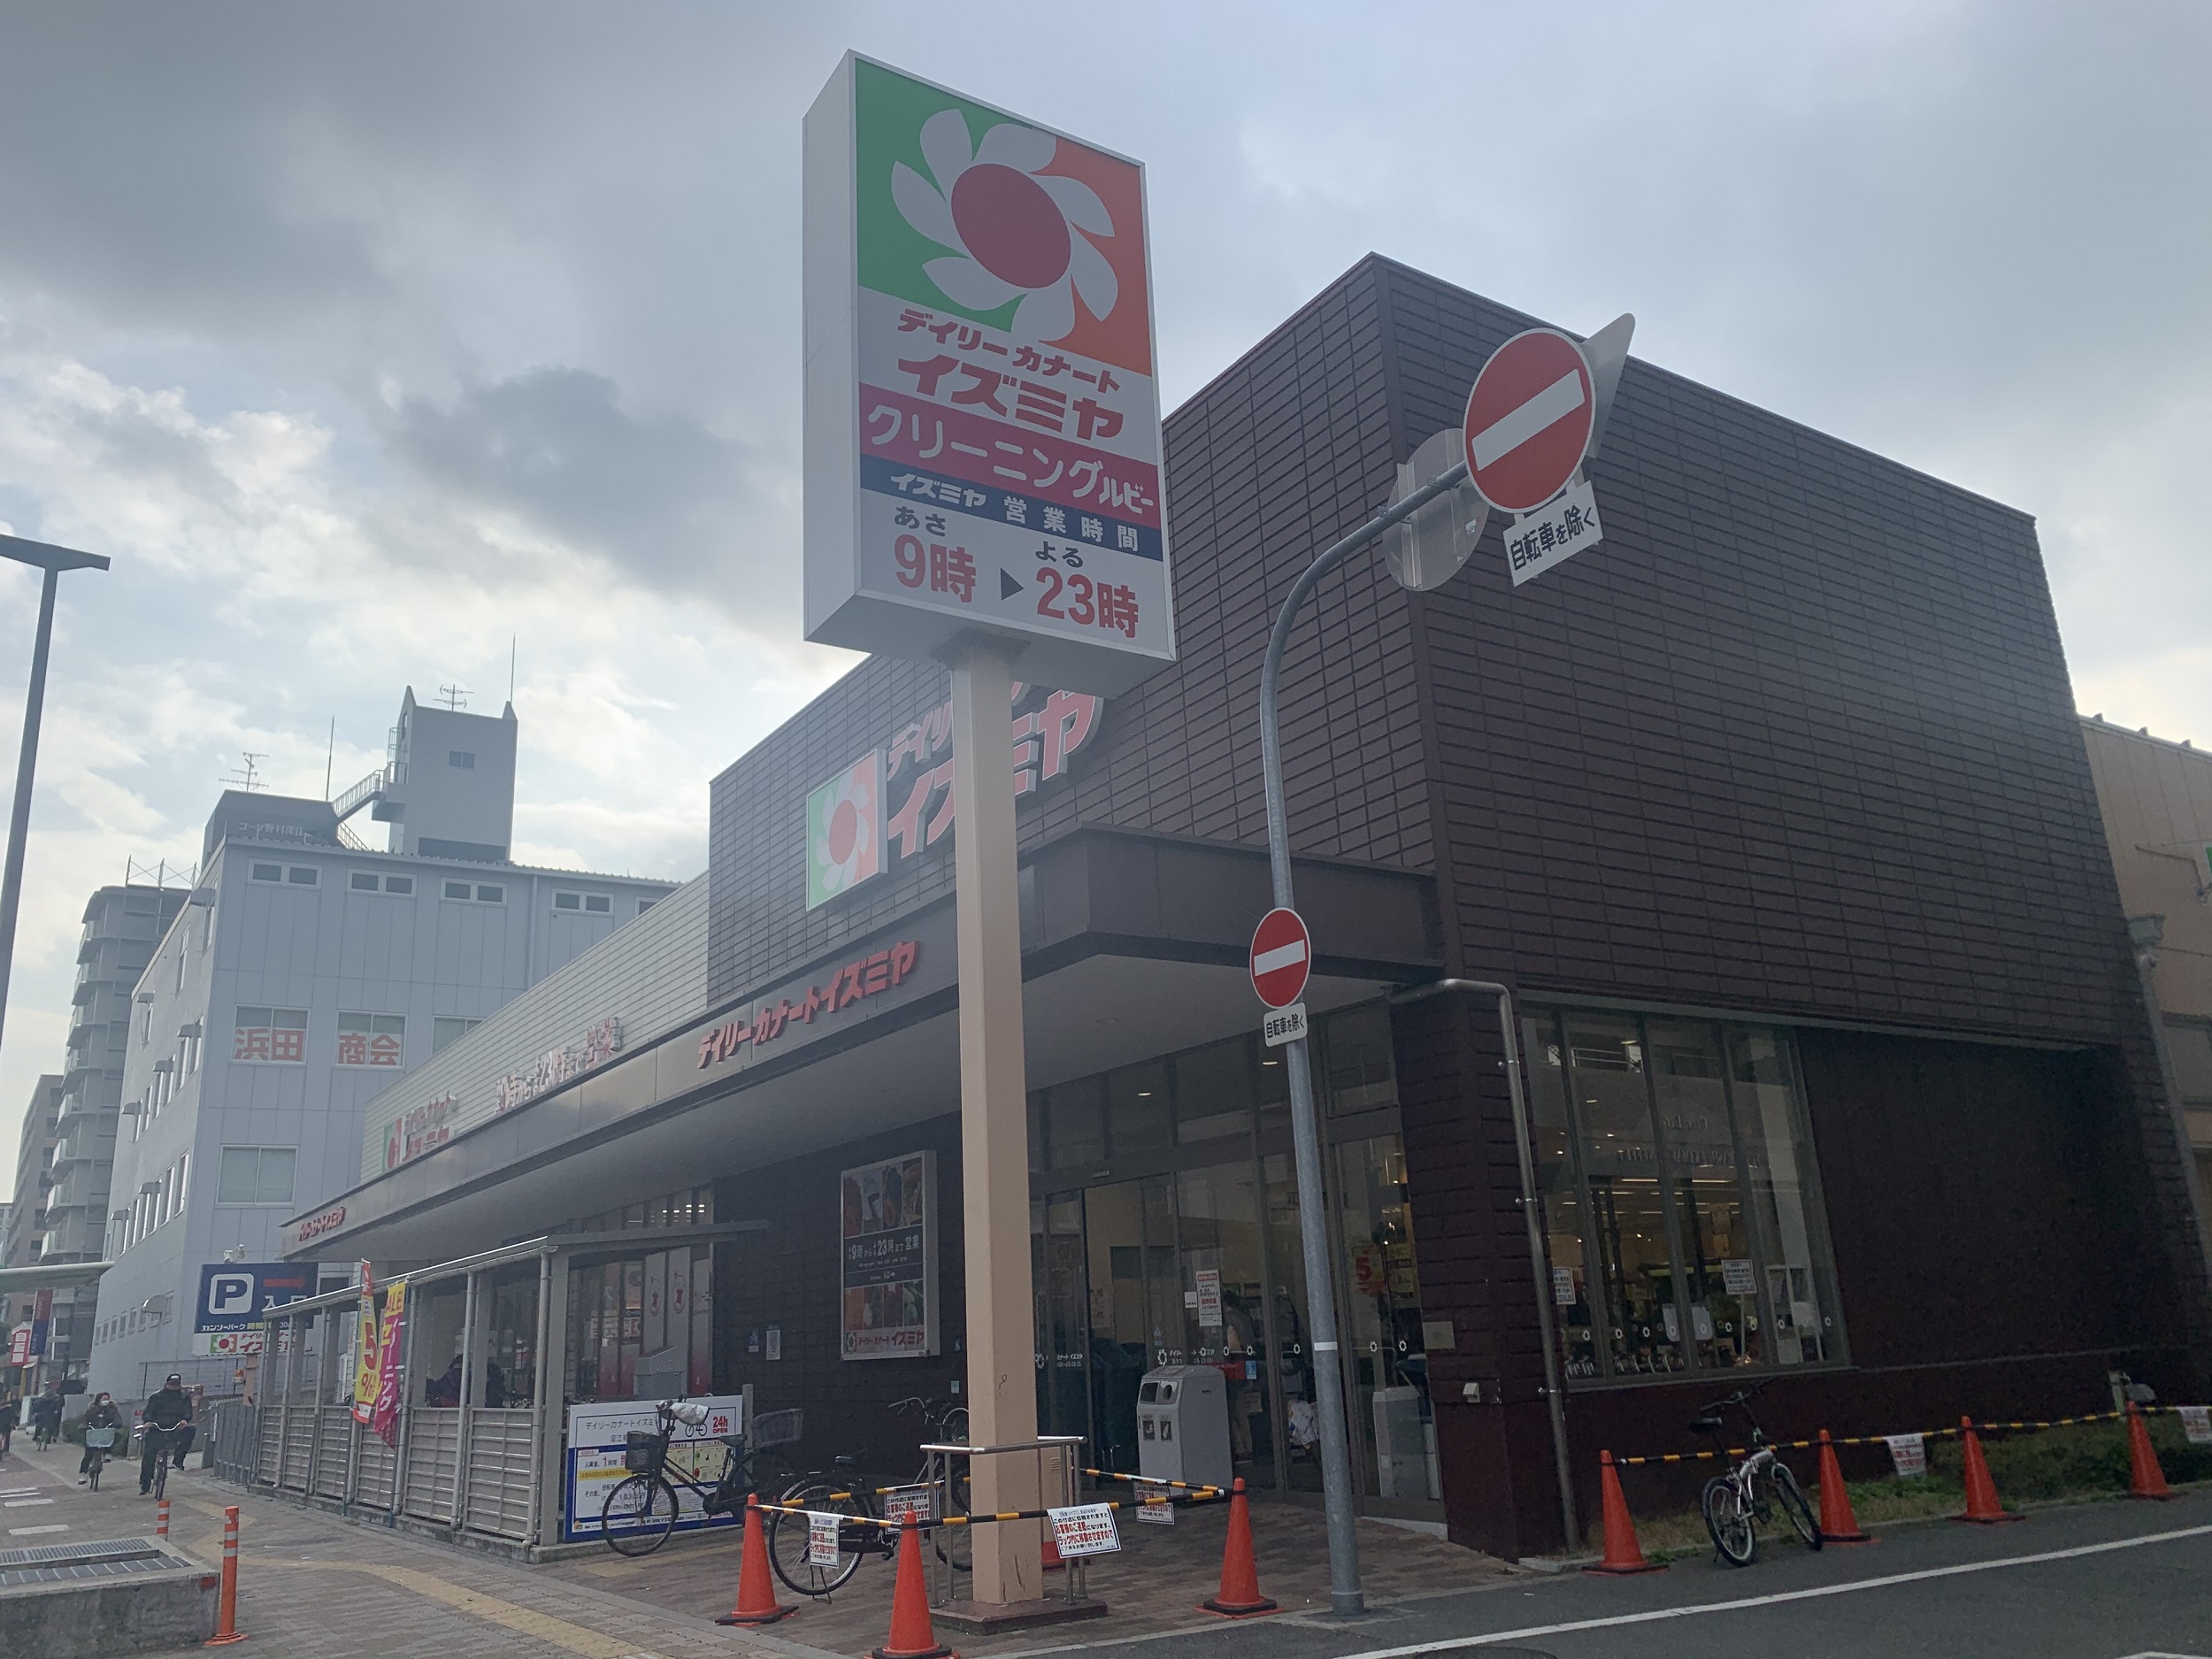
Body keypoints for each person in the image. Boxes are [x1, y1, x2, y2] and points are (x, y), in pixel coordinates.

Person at [140, 1372, 194, 1494]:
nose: (174, 1387)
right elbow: (148, 1412)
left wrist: (185, 1420)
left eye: (177, 1384)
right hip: (157, 1427)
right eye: (172, 1384)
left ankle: (178, 1461)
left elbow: (188, 1411)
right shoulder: (156, 1397)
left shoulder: (184, 1397)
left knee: (190, 1432)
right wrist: (148, 1421)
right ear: (167, 1384)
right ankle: (145, 1483)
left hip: (175, 1427)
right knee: (149, 1454)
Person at [79, 1391, 122, 1480]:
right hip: (93, 1433)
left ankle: (108, 1453)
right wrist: (85, 1426)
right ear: (99, 1400)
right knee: (88, 1454)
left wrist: (116, 1424)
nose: (106, 1401)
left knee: (116, 1436)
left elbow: (117, 1419)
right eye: (104, 1399)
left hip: (106, 1432)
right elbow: (85, 1420)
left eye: (107, 1399)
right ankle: (83, 1473)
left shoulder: (112, 1409)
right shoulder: (92, 1409)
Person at [29, 1383, 63, 1448]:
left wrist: (55, 1411)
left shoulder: (51, 1400)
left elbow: (56, 1408)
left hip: (46, 1415)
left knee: (47, 1426)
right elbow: (35, 1407)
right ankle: (39, 1437)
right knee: (42, 1425)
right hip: (44, 1415)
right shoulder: (42, 1400)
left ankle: (45, 1437)